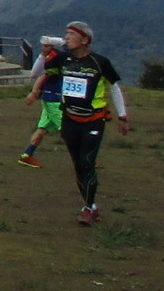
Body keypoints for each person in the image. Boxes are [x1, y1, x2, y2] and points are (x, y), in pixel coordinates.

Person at [32, 20, 130, 225]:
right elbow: (35, 73)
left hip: (93, 120)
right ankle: (91, 206)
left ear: (84, 40)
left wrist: (122, 116)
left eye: (71, 34)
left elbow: (114, 87)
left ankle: (88, 207)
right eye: (65, 34)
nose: (66, 38)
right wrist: (43, 53)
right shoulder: (63, 59)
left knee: (87, 161)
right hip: (69, 118)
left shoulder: (99, 62)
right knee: (78, 164)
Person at [17, 36, 63, 167]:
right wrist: (34, 92)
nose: (43, 48)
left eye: (46, 46)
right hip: (54, 98)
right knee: (68, 129)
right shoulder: (54, 57)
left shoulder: (54, 57)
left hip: (51, 97)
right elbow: (41, 74)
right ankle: (86, 160)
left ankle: (27, 155)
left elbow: (36, 72)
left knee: (42, 128)